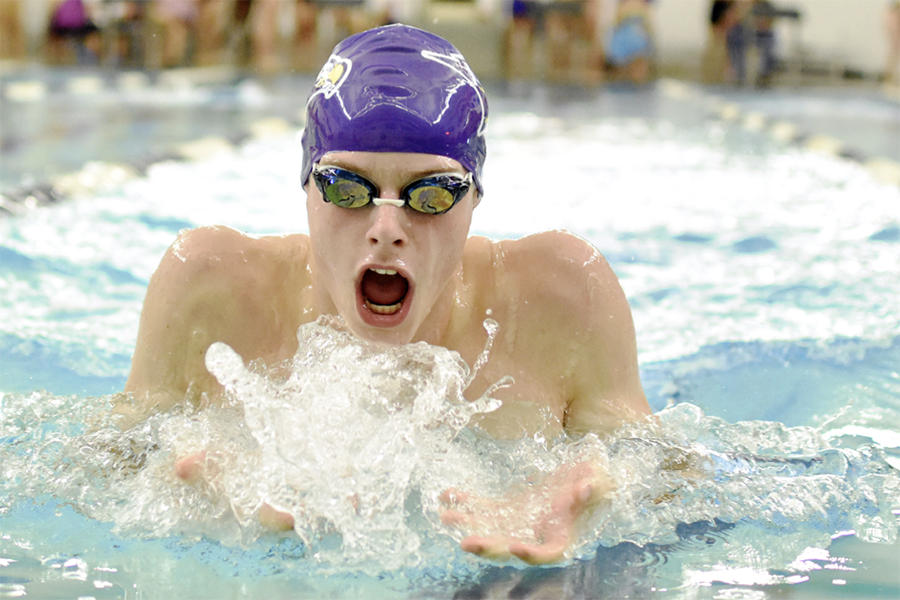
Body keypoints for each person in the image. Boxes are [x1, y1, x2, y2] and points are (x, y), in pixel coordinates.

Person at [122, 24, 651, 564]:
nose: (385, 227)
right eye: (346, 187)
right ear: (307, 185)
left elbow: (673, 471)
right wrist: (186, 481)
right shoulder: (209, 288)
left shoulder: (561, 295)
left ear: (473, 197)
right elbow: (103, 458)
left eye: (431, 193)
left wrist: (610, 490)